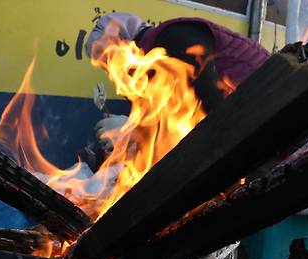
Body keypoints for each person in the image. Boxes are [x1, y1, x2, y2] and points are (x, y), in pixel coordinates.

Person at [81, 13, 270, 168]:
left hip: (269, 108)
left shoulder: (176, 38)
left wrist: (133, 131)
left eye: (109, 61)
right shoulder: (151, 72)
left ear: (124, 44)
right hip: (250, 130)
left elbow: (205, 107)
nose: (112, 73)